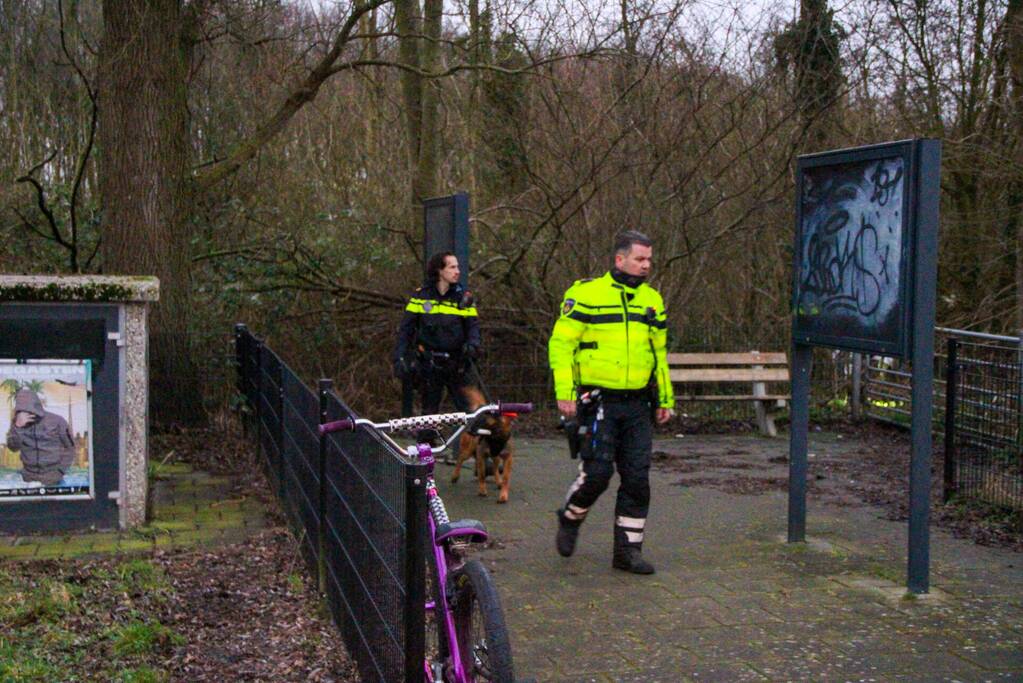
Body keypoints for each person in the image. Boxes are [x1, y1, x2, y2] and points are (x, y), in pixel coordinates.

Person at [549, 231, 674, 574]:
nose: (646, 265)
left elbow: (658, 353)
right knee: (598, 474)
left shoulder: (652, 301)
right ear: (620, 260)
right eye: (640, 259)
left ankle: (627, 553)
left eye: (649, 260)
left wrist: (665, 397)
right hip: (598, 400)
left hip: (637, 405)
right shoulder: (585, 295)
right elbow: (561, 345)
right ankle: (571, 516)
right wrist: (565, 391)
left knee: (637, 479)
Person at [393, 252, 481, 453]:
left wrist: (472, 346)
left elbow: (473, 327)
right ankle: (425, 458)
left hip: (457, 364)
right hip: (429, 363)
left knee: (471, 413)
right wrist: (399, 358)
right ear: (439, 271)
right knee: (428, 415)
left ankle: (481, 458)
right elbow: (406, 329)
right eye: (452, 267)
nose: (457, 271)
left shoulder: (463, 298)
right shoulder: (421, 296)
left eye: (457, 267)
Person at [5, 389, 76, 487]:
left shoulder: (58, 421)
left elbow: (71, 447)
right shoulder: (18, 422)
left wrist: (60, 471)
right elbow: (13, 447)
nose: (26, 412)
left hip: (54, 476)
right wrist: (18, 427)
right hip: (28, 478)